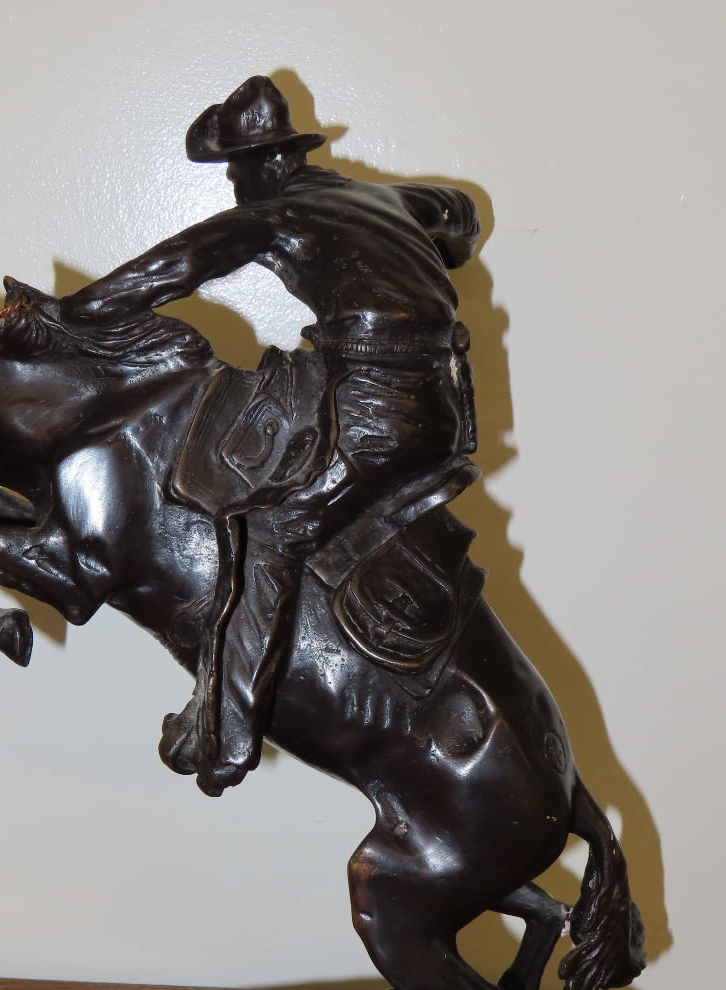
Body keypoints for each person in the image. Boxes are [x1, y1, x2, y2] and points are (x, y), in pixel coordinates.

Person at [60, 76, 481, 795]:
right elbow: (458, 213)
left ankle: (226, 736)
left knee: (269, 533)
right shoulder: (378, 198)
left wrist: (69, 317)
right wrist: (434, 245)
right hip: (427, 401)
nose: (233, 186)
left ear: (263, 165)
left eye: (234, 171)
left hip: (380, 416)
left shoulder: (277, 214)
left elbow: (170, 269)